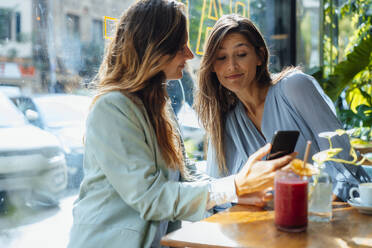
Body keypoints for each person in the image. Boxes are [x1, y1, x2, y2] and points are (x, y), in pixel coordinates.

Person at [67, 2, 296, 248]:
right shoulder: (111, 109)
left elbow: (185, 176)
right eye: (180, 47)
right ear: (155, 49)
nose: (189, 54)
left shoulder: (157, 105)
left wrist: (239, 193)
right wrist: (236, 184)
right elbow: (151, 197)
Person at [195, 14, 370, 205]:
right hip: (270, 224)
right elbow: (218, 191)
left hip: (332, 212)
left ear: (260, 56)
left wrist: (319, 203)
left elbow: (342, 158)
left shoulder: (294, 87)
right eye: (221, 58)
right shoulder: (225, 121)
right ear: (212, 67)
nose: (231, 66)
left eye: (242, 54)